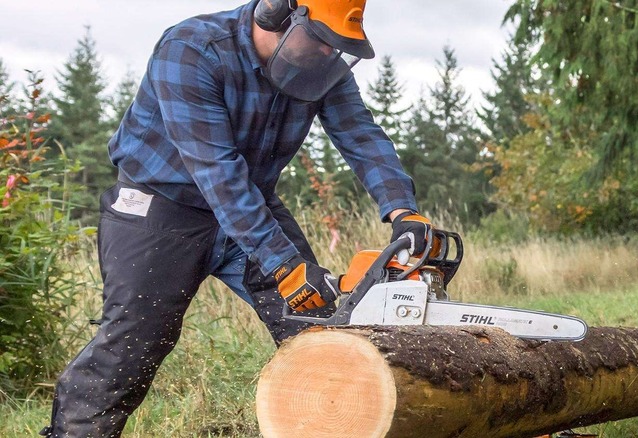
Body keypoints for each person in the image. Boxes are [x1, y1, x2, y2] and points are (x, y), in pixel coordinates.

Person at [40, 0, 433, 436]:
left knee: (322, 329)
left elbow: (361, 135)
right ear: (277, 13)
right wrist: (284, 263)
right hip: (161, 205)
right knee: (133, 343)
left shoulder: (319, 66)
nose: (326, 53)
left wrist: (403, 211)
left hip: (252, 204)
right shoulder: (192, 49)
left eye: (335, 45)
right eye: (320, 40)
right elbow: (217, 171)